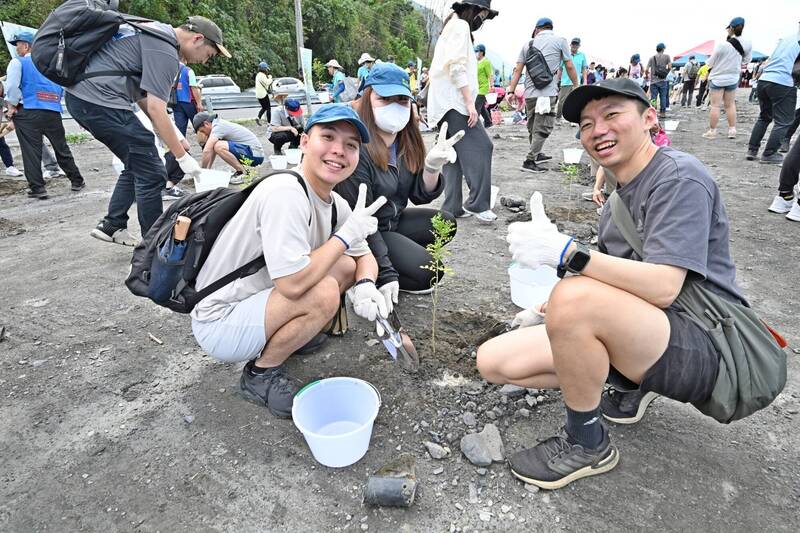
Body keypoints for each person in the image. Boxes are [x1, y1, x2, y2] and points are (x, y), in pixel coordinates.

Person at [477, 77, 747, 489]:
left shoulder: (678, 178)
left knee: (575, 298)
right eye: (586, 124)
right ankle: (630, 380)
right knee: (494, 361)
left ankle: (588, 442)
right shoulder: (618, 198)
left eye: (612, 114)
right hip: (649, 331)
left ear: (649, 118)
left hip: (710, 345)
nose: (597, 130)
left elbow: (663, 288)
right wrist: (551, 309)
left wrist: (568, 254)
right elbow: (614, 282)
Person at [190, 104, 388, 418]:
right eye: (328, 137)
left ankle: (292, 337)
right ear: (305, 143)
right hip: (221, 319)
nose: (339, 150)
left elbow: (363, 257)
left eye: (350, 145)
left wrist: (365, 286)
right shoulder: (286, 192)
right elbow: (293, 284)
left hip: (257, 300)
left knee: (347, 266)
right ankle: (259, 375)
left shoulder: (334, 202)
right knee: (322, 292)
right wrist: (345, 237)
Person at [66, 15, 228, 246]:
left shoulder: (154, 33)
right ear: (198, 39)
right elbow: (156, 108)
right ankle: (153, 248)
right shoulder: (165, 50)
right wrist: (182, 158)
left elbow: (144, 99)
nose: (204, 61)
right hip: (99, 100)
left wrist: (176, 138)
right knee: (152, 172)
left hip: (84, 98)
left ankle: (113, 223)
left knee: (140, 161)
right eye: (208, 55)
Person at [334, 63, 461, 301]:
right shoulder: (357, 148)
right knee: (432, 272)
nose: (394, 106)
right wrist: (387, 273)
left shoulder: (406, 141)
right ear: (368, 99)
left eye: (402, 100)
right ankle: (363, 270)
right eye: (385, 99)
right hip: (367, 231)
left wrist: (432, 168)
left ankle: (399, 256)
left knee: (446, 223)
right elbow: (359, 222)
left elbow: (419, 195)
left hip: (393, 221)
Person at [427, 0, 499, 222]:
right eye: (483, 16)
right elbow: (456, 67)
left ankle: (451, 208)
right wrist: (469, 102)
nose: (482, 21)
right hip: (454, 103)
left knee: (453, 156)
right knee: (483, 146)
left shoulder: (452, 26)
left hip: (443, 103)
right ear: (475, 10)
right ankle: (477, 204)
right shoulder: (460, 26)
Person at [4, 31, 85, 200]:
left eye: (18, 45)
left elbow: (11, 87)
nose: (17, 48)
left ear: (26, 46)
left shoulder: (17, 63)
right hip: (52, 110)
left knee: (31, 151)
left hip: (27, 110)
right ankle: (77, 180)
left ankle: (38, 188)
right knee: (61, 147)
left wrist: (11, 106)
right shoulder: (51, 64)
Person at [508, 17, 578, 173]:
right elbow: (569, 66)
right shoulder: (560, 41)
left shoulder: (528, 44)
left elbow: (517, 70)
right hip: (547, 93)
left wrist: (511, 91)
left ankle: (537, 154)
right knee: (543, 127)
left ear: (537, 29)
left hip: (530, 94)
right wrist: (576, 85)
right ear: (551, 28)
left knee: (533, 126)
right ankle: (529, 160)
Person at [746, 32, 800, 164]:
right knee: (784, 121)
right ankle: (769, 154)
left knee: (764, 117)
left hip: (764, 80)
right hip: (783, 81)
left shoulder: (786, 39)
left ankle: (752, 150)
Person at [702, 18, 752, 140]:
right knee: (730, 105)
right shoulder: (748, 43)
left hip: (718, 78)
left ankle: (712, 131)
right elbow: (746, 61)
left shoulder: (722, 45)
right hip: (733, 78)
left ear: (731, 28)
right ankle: (732, 130)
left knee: (715, 106)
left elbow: (710, 62)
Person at [193, 112, 264, 182]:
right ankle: (242, 171)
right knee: (216, 146)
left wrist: (202, 172)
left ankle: (244, 173)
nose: (204, 134)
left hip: (256, 155)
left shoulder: (218, 127)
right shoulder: (217, 125)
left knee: (219, 146)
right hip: (252, 153)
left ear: (206, 124)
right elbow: (211, 151)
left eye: (202, 131)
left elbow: (206, 151)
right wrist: (208, 170)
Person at [556, 37, 588, 121]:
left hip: (576, 83)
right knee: (561, 102)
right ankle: (558, 117)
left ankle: (573, 120)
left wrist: (585, 80)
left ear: (579, 45)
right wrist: (557, 81)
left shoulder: (582, 55)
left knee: (575, 102)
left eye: (576, 44)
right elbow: (560, 69)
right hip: (565, 82)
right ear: (570, 45)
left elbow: (584, 69)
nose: (574, 45)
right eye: (573, 44)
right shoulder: (565, 54)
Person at [172, 63, 203, 136]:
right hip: (189, 102)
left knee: (180, 130)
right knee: (199, 126)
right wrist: (199, 103)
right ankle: (206, 145)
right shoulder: (188, 71)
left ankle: (181, 147)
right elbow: (193, 88)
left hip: (176, 102)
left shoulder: (171, 70)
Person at [645, 43, 671, 118]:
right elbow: (669, 67)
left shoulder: (651, 58)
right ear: (663, 49)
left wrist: (647, 76)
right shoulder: (667, 57)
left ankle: (654, 112)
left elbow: (646, 69)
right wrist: (665, 73)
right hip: (663, 81)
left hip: (653, 81)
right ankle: (663, 113)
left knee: (654, 97)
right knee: (663, 97)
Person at [474, 44, 494, 128]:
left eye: (477, 51)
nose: (476, 53)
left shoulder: (486, 61)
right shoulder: (476, 62)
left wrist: (492, 86)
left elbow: (490, 75)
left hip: (484, 87)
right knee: (481, 107)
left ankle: (475, 124)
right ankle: (488, 122)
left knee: (476, 106)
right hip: (477, 87)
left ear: (482, 52)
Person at [254, 62, 273, 126]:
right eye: (266, 69)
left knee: (264, 107)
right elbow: (267, 83)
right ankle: (269, 123)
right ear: (264, 69)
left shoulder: (258, 75)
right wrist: (270, 78)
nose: (267, 70)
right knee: (268, 108)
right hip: (263, 94)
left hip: (258, 95)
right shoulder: (262, 75)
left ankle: (258, 117)